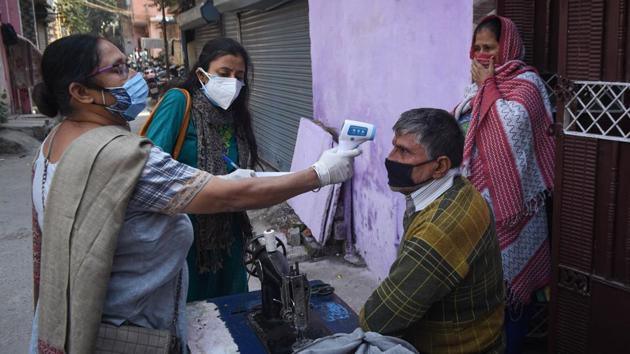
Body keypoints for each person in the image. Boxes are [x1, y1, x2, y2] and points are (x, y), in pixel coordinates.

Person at [29, 34, 359, 354]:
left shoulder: (54, 143)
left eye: (129, 65)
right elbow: (226, 195)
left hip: (97, 305)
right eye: (119, 69)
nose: (135, 76)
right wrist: (320, 174)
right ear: (81, 92)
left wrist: (234, 179)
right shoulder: (122, 155)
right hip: (133, 324)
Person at [359, 108, 505, 354]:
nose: (391, 157)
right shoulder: (458, 188)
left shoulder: (439, 229)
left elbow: (379, 319)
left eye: (403, 151)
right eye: (394, 146)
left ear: (439, 166)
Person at [453, 15, 556, 353]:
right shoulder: (479, 83)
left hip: (516, 208)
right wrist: (481, 90)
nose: (483, 56)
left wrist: (487, 87)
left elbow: (512, 132)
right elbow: (464, 124)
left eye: (490, 48)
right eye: (478, 48)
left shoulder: (527, 84)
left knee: (512, 288)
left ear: (507, 47)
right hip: (479, 202)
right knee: (482, 284)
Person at [144, 38, 257, 301]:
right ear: (202, 75)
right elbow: (147, 166)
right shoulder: (179, 103)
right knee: (189, 314)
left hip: (229, 236)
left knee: (232, 316)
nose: (232, 82)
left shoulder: (236, 117)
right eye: (224, 73)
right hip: (184, 235)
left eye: (239, 76)